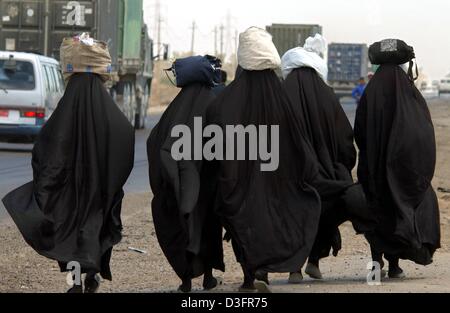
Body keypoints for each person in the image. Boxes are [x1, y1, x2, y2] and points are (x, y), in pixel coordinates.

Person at [206, 27, 321, 292]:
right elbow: (300, 145)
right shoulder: (284, 100)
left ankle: (251, 275)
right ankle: (265, 270)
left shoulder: (223, 103)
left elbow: (211, 150)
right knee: (274, 217)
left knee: (242, 222)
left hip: (237, 184)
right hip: (279, 182)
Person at [2, 69, 135, 293]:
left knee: (70, 240)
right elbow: (125, 140)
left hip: (67, 194)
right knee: (95, 230)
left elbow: (43, 150)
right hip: (99, 192)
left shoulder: (62, 116)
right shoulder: (110, 115)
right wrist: (111, 180)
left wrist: (49, 181)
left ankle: (76, 282)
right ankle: (93, 272)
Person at [281, 34, 371, 282]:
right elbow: (345, 138)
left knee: (288, 213)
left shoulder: (280, 95)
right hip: (323, 176)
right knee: (325, 206)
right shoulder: (328, 96)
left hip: (286, 175)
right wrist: (340, 165)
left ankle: (292, 268)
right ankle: (313, 261)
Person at [355, 40, 441, 278]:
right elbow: (422, 132)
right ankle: (394, 266)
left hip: (373, 167)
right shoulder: (409, 92)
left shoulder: (371, 91)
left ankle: (375, 266)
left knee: (376, 211)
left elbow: (359, 130)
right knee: (398, 211)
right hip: (403, 169)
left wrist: (372, 155)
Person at [147, 55, 225, 293]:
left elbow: (156, 142)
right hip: (208, 185)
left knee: (183, 226)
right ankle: (208, 277)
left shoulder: (175, 109)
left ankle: (186, 281)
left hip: (180, 183)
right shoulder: (213, 105)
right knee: (209, 227)